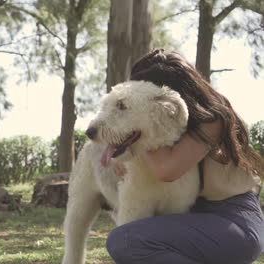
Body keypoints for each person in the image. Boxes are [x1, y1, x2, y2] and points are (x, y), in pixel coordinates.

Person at [106, 49, 264, 264]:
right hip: (191, 219)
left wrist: (143, 125)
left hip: (233, 220)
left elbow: (167, 170)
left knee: (126, 240)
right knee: (127, 237)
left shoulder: (213, 120)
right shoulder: (169, 132)